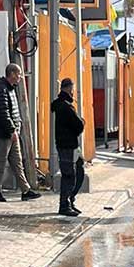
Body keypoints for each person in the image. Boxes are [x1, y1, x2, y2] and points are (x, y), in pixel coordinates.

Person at [0, 62, 40, 202]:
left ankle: (26, 190)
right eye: (18, 74)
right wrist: (12, 129)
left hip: (13, 133)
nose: (20, 77)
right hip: (4, 133)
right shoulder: (1, 88)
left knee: (17, 162)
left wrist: (16, 129)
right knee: (0, 163)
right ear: (12, 74)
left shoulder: (10, 88)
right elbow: (3, 111)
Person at [51, 77, 86, 216]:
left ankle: (69, 200)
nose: (73, 92)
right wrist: (82, 122)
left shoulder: (59, 104)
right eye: (72, 89)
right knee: (69, 175)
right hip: (68, 145)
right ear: (68, 88)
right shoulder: (66, 106)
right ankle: (65, 205)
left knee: (79, 168)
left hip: (66, 144)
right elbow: (78, 125)